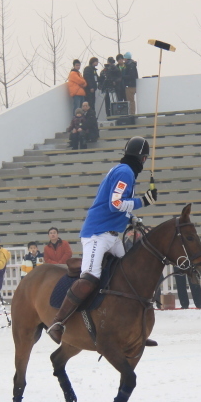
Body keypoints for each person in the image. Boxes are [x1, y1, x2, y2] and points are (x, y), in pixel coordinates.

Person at [47, 136, 157, 343]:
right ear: (142, 159)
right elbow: (115, 203)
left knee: (129, 275)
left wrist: (132, 218)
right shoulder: (125, 172)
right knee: (90, 277)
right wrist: (143, 201)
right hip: (98, 234)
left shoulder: (123, 171)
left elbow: (117, 206)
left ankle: (135, 329)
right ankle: (58, 322)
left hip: (113, 236)